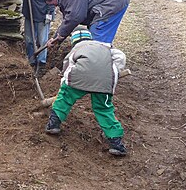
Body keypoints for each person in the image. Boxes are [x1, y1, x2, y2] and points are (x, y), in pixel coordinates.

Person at [44, 26, 128, 156]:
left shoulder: (76, 49)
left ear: (73, 41)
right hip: (104, 82)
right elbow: (120, 57)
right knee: (104, 109)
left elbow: (68, 69)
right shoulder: (105, 46)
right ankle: (116, 143)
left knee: (65, 98)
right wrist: (114, 71)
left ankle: (53, 124)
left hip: (79, 77)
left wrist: (64, 86)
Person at [42, 0, 129, 47]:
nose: (55, 6)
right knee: (95, 39)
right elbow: (68, 19)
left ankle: (99, 63)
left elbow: (75, 16)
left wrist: (61, 34)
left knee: (97, 39)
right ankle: (101, 58)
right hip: (111, 0)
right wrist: (55, 38)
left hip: (112, 1)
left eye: (53, 3)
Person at [22, 0, 57, 77]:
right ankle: (31, 61)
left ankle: (41, 64)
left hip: (43, 15)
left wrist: (50, 13)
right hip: (29, 13)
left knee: (42, 41)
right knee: (29, 40)